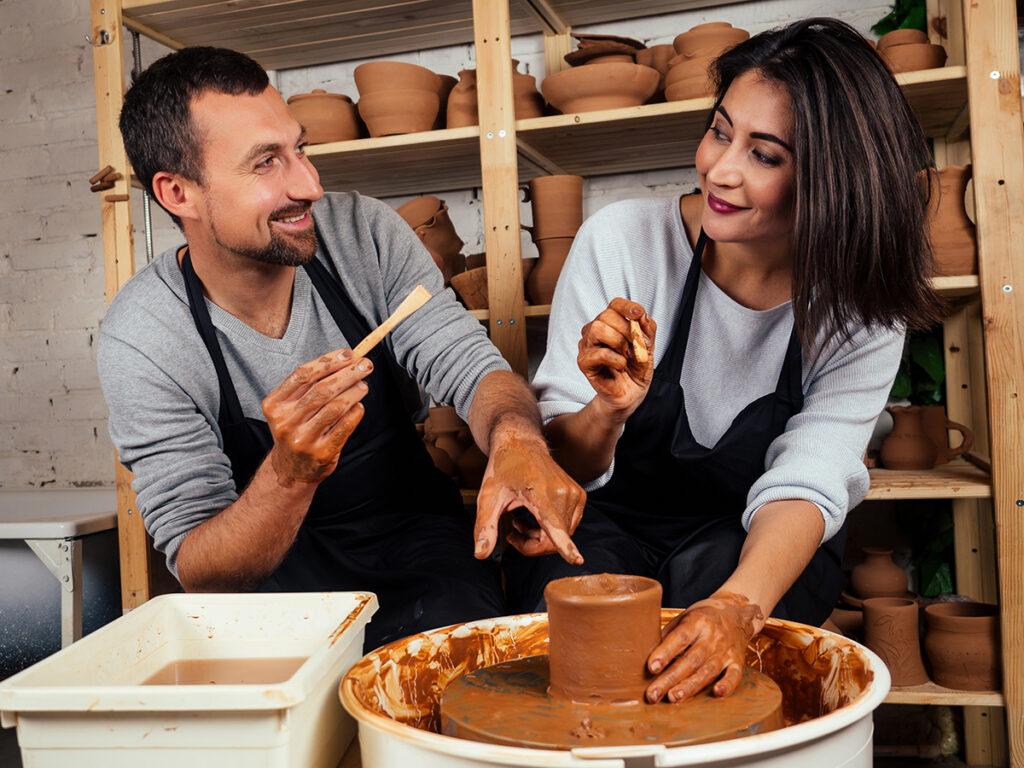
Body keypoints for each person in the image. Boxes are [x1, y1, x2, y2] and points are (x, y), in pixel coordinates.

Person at [504, 18, 944, 703]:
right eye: (719, 130)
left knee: (717, 638)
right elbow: (565, 470)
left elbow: (813, 475)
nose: (720, 168)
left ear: (834, 179)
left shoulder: (863, 306)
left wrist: (738, 607)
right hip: (612, 521)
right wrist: (607, 410)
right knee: (584, 620)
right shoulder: (623, 242)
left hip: (756, 539)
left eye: (764, 154)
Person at [96, 46, 585, 650]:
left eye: (299, 148)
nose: (309, 184)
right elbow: (201, 567)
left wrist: (516, 441)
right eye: (266, 163)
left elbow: (472, 368)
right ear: (178, 194)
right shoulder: (144, 336)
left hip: (416, 546)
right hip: (271, 590)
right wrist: (288, 474)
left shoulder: (363, 235)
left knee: (461, 672)